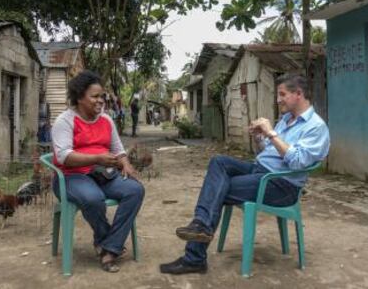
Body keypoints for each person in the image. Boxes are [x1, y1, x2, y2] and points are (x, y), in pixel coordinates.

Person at [160, 74, 330, 274]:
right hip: (260, 170)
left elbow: (297, 161)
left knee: (219, 189)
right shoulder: (286, 120)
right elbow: (265, 153)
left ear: (298, 94)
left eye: (282, 94)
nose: (278, 99)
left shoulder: (316, 127)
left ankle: (194, 256)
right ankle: (200, 226)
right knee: (219, 162)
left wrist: (271, 134)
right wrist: (260, 138)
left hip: (281, 185)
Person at [51, 70, 145, 273]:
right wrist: (97, 158)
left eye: (102, 95)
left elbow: (119, 150)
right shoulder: (65, 121)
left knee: (135, 190)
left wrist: (126, 164)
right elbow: (63, 157)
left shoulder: (106, 120)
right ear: (79, 98)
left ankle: (109, 248)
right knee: (93, 198)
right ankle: (107, 242)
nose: (100, 100)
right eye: (94, 96)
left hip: (102, 173)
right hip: (70, 177)